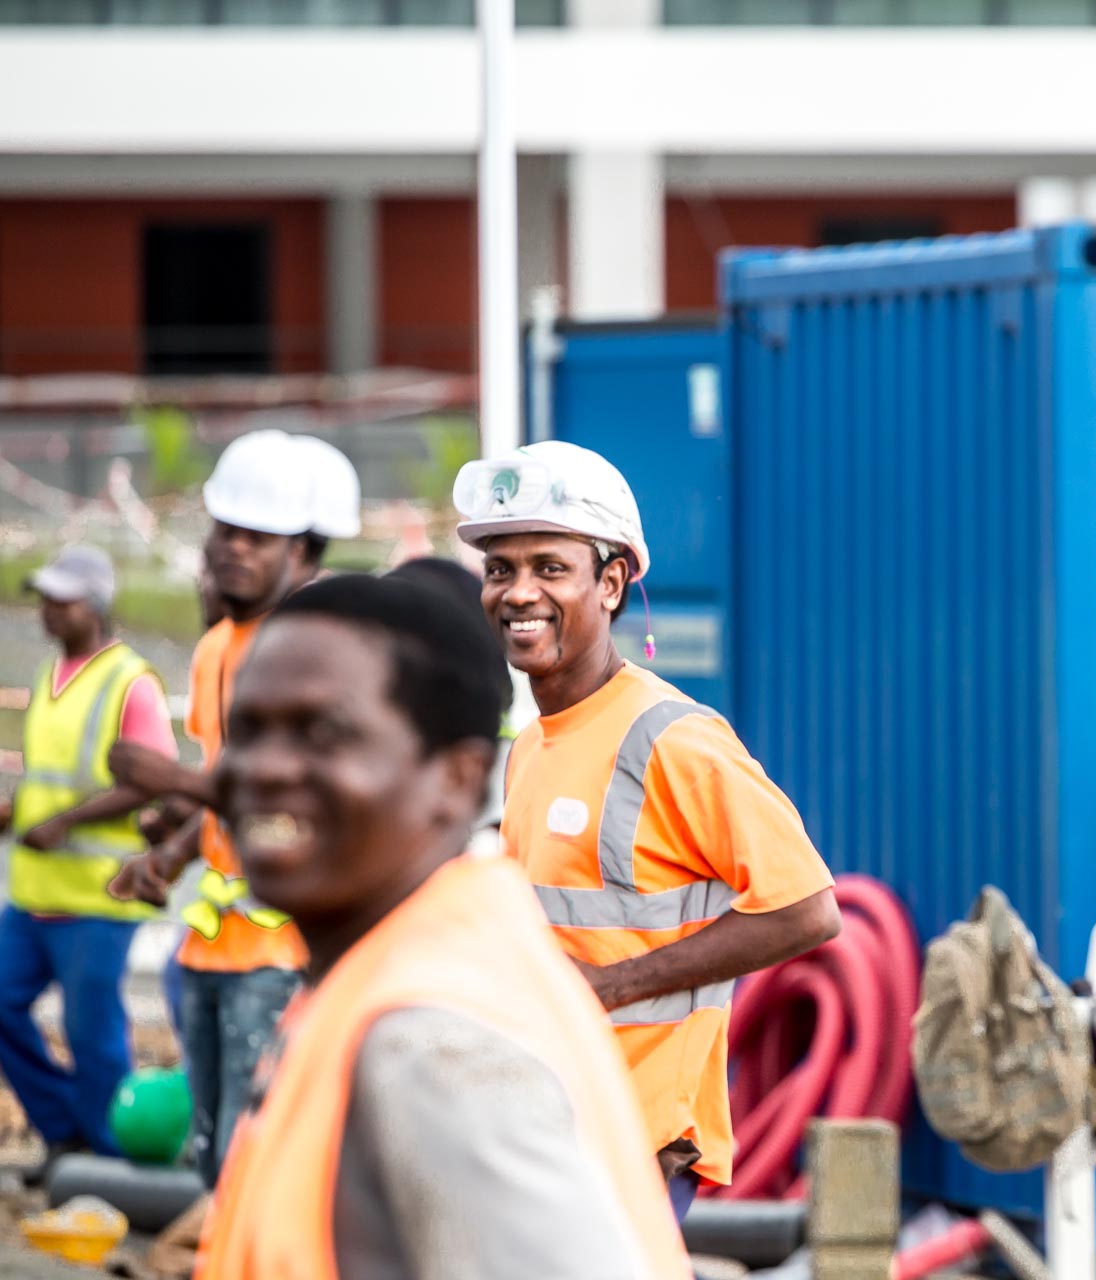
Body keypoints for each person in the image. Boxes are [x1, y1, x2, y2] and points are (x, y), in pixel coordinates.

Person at [195, 574, 692, 1280]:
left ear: (458, 779)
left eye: (323, 734)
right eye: (246, 732)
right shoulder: (386, 969)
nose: (263, 770)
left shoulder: (434, 1044)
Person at [454, 440, 841, 1219]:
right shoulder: (531, 745)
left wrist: (611, 986)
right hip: (551, 1120)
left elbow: (806, 910)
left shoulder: (672, 738)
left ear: (611, 582)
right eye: (500, 570)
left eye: (549, 568)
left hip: (633, 1134)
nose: (518, 592)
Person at [106, 427, 359, 1188]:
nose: (232, 548)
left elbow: (297, 791)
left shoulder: (313, 650)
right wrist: (169, 849)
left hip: (284, 952)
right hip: (215, 943)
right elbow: (224, 780)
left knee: (262, 1158)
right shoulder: (220, 646)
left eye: (257, 536)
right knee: (216, 1159)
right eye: (225, 530)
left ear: (302, 551)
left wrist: (171, 780)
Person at [0, 546, 176, 1181]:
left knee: (92, 1034)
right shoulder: (50, 675)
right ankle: (64, 1131)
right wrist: (16, 812)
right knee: (3, 1002)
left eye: (63, 600)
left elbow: (152, 779)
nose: (49, 611)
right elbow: (51, 778)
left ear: (96, 605)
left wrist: (66, 823)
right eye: (44, 599)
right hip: (34, 892)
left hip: (99, 895)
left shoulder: (130, 681)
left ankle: (111, 1160)